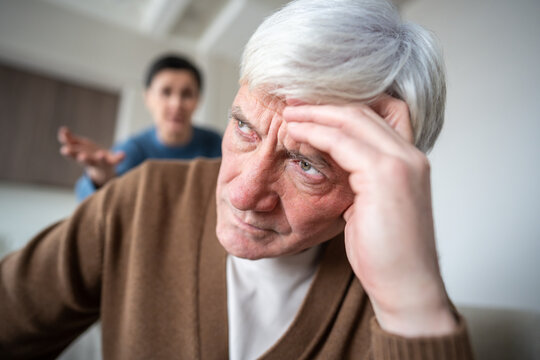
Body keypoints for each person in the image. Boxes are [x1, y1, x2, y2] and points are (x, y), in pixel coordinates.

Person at [0, 0, 474, 359]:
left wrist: (410, 302)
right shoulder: (142, 197)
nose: (242, 193)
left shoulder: (383, 292)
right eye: (244, 128)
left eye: (308, 165)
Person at [58, 54, 222, 201]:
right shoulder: (131, 150)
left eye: (186, 94)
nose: (176, 104)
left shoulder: (217, 145)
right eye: (166, 92)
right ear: (148, 98)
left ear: (198, 100)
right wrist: (101, 177)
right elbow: (86, 200)